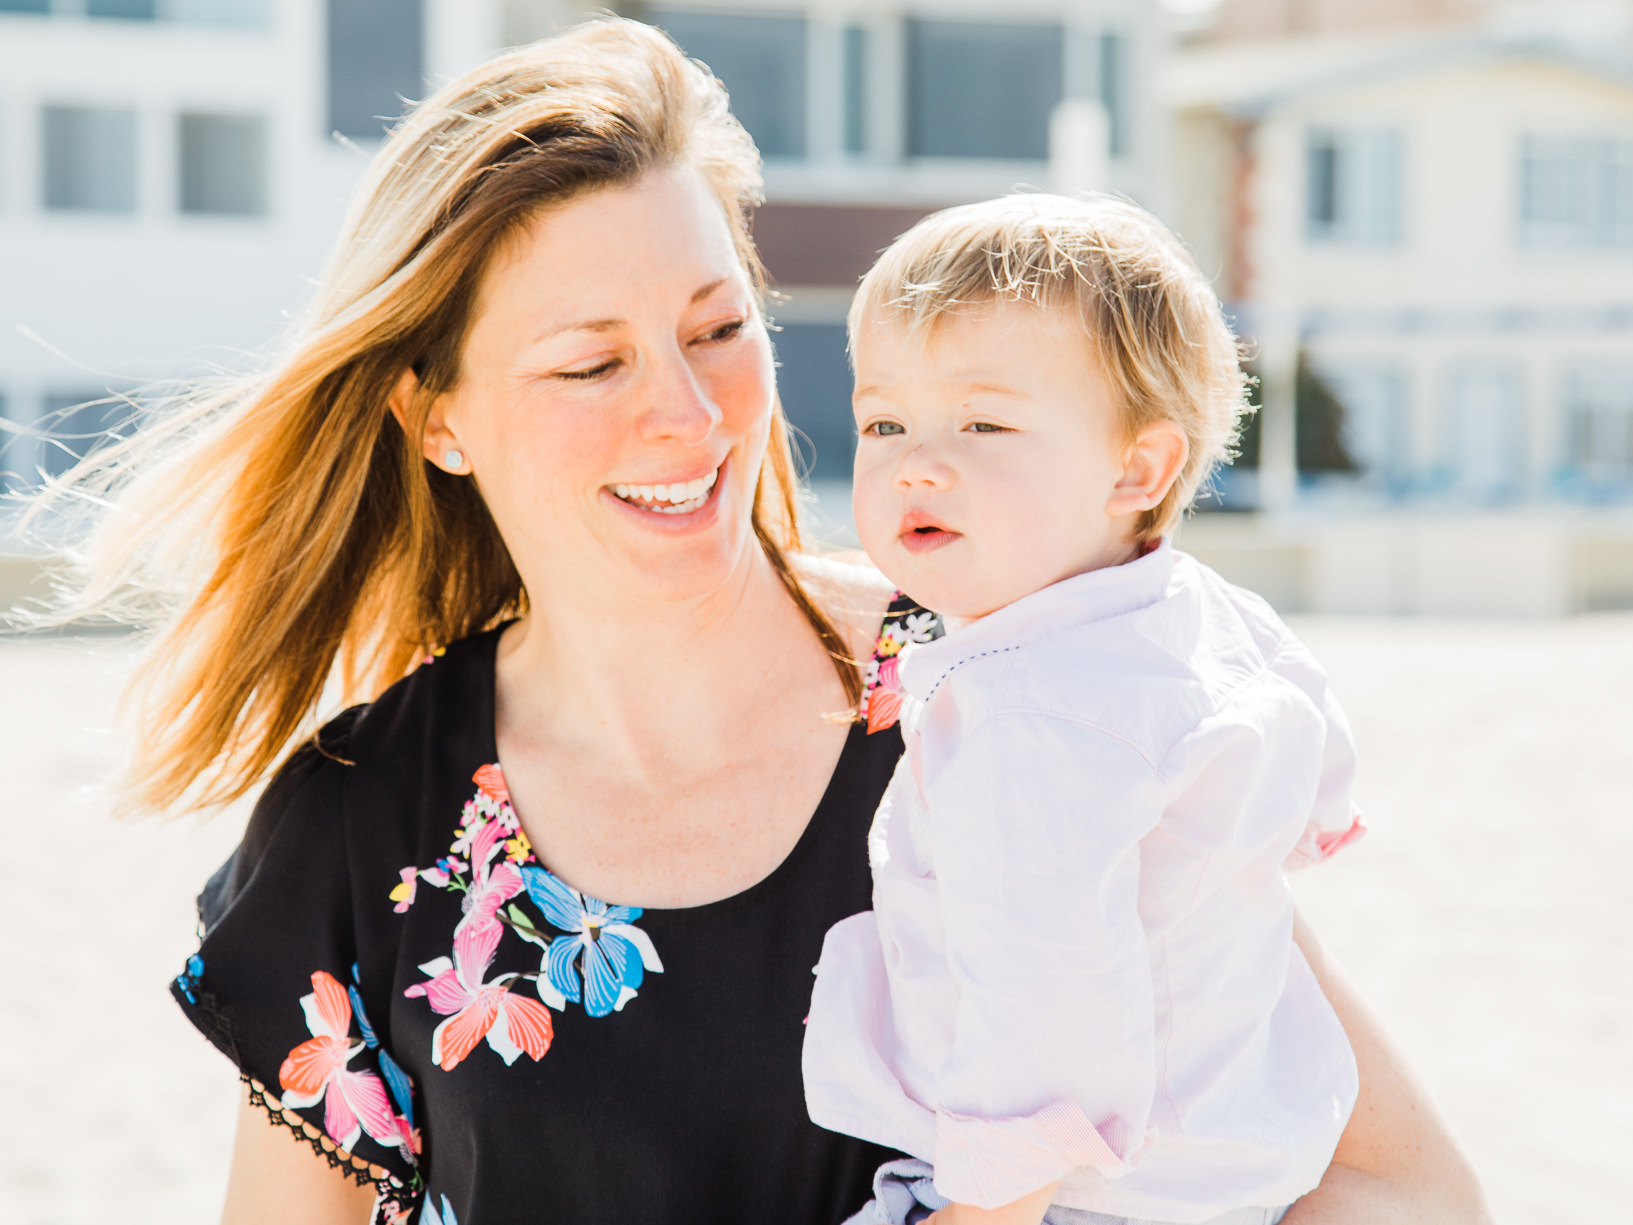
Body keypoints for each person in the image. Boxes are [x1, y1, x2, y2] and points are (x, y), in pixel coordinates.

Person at [36, 18, 1489, 1225]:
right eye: (589, 362)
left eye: (720, 329)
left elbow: (1403, 1188)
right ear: (438, 418)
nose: (685, 412)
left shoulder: (1010, 677)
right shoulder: (359, 824)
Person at [801, 194, 1372, 1225]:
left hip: (1082, 1193)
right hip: (1235, 1162)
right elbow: (1304, 716)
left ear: (1135, 468)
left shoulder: (1025, 713)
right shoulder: (1189, 605)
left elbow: (1043, 1007)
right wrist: (1307, 819)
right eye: (884, 420)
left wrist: (987, 1211)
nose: (916, 461)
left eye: (983, 422)